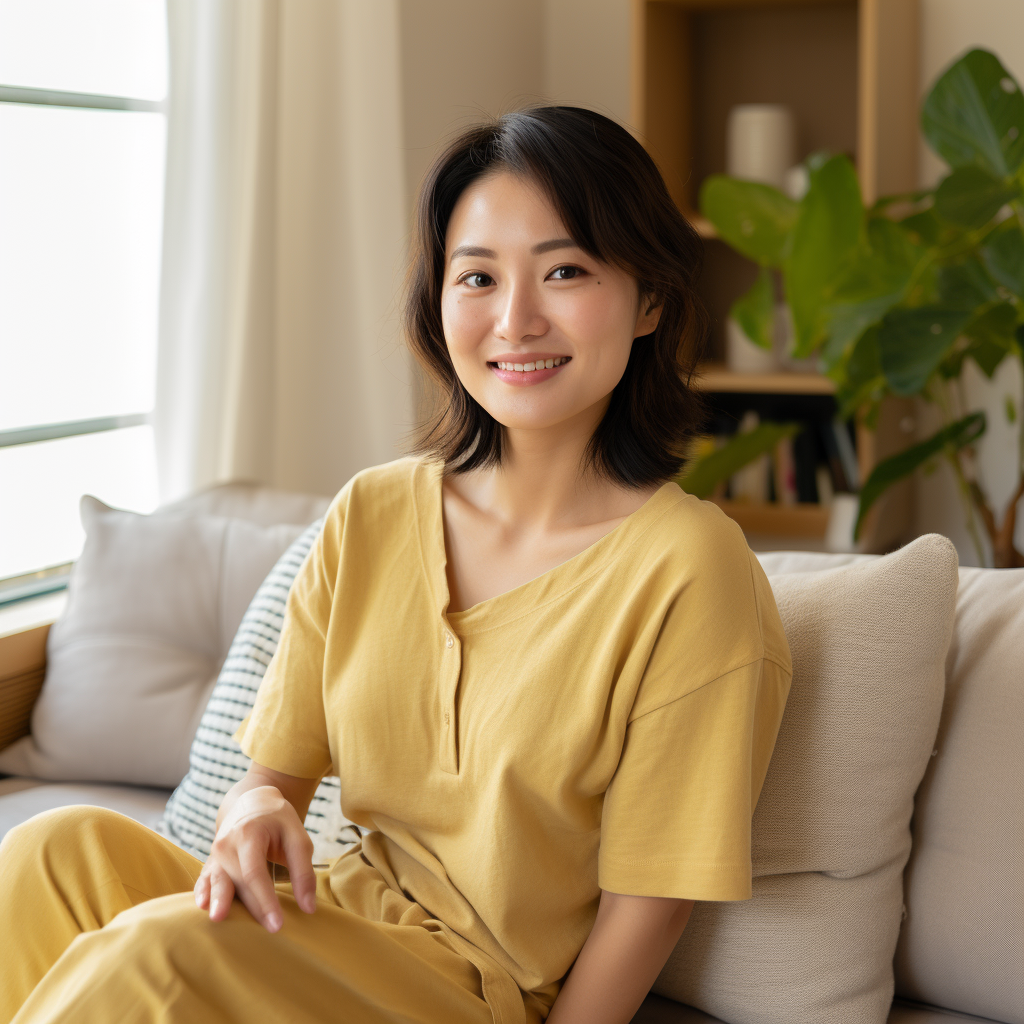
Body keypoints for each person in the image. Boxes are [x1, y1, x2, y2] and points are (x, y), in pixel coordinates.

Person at [0, 106, 792, 1024]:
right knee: (49, 852)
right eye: (479, 277)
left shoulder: (691, 570)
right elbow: (274, 780)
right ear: (440, 300)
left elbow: (650, 903)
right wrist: (249, 814)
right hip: (331, 918)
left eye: (565, 271)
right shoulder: (373, 511)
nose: (516, 319)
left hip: (465, 990)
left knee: (155, 958)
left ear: (650, 299)